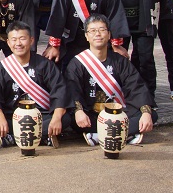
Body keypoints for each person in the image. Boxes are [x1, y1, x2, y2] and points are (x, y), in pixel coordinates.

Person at [65, 14, 157, 146]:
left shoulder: (120, 61)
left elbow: (136, 86)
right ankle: (125, 134)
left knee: (151, 115)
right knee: (73, 119)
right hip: (93, 114)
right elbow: (72, 90)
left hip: (119, 113)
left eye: (102, 30)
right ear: (86, 36)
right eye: (93, 30)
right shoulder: (77, 63)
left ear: (109, 34)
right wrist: (79, 111)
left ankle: (99, 136)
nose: (98, 34)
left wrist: (146, 113)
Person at [0, 21, 70, 147]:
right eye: (14, 40)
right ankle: (42, 136)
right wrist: (0, 117)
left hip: (42, 116)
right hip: (13, 116)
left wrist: (57, 118)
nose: (18, 43)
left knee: (65, 118)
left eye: (22, 39)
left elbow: (59, 90)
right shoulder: (1, 68)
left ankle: (15, 137)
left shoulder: (44, 65)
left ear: (31, 40)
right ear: (8, 43)